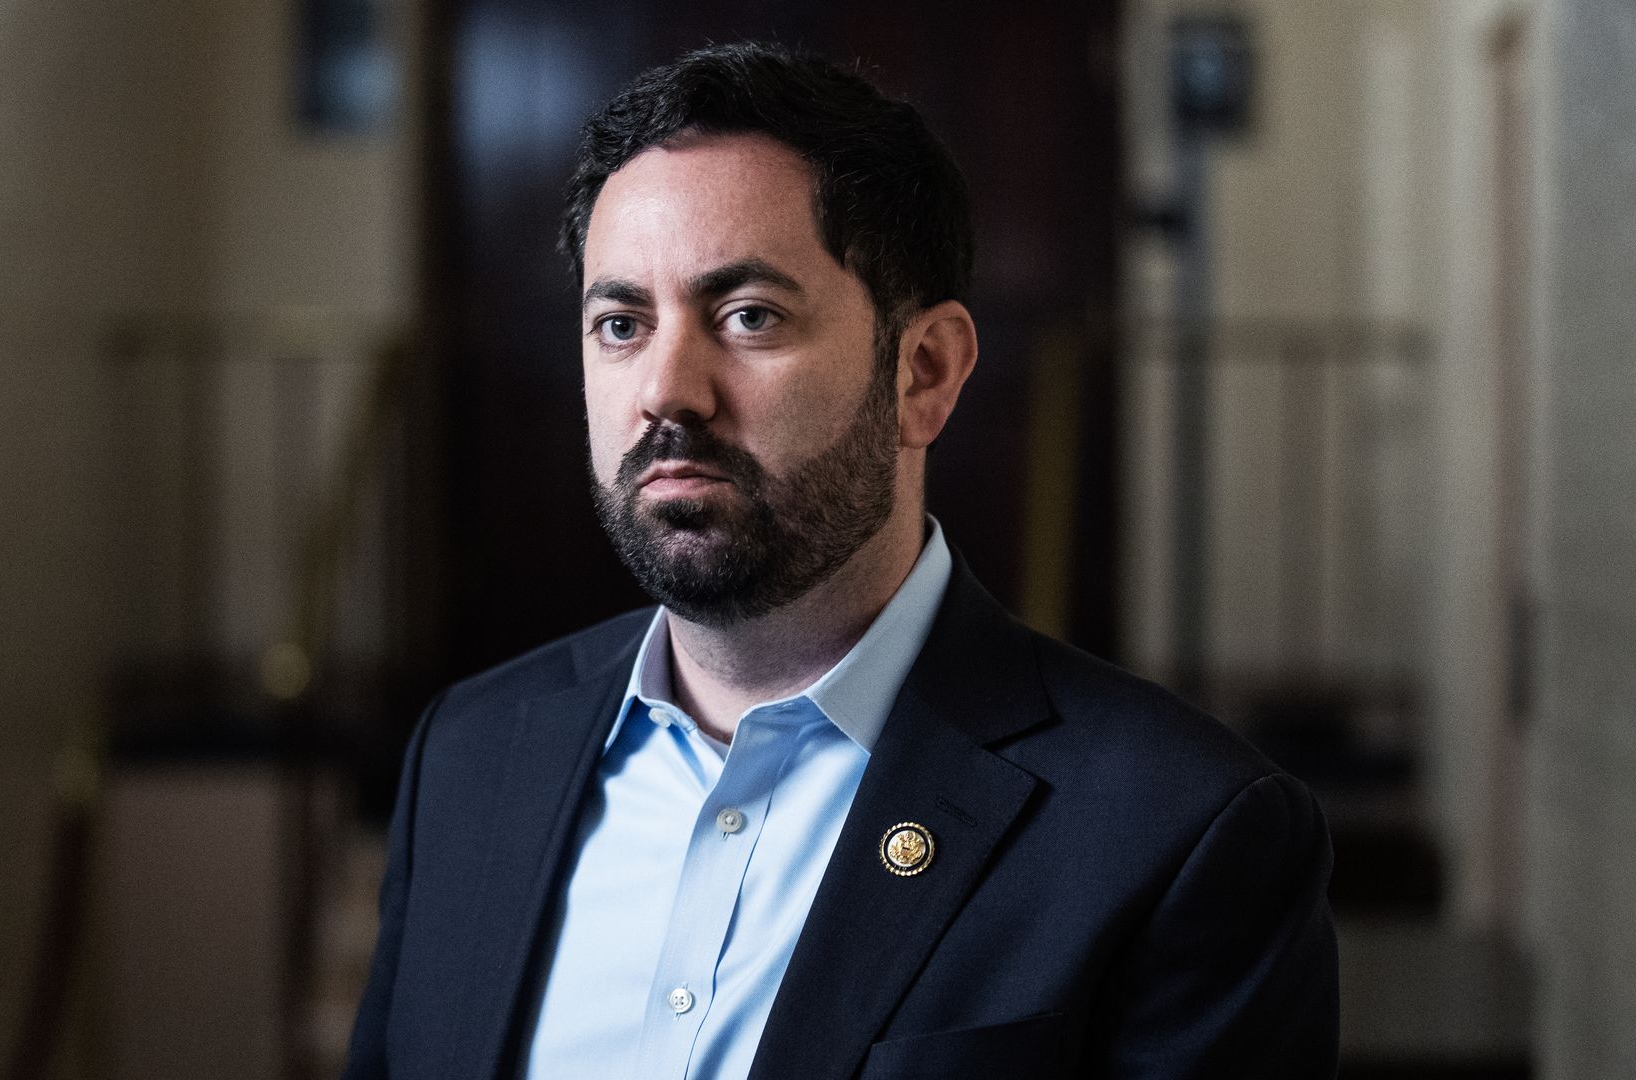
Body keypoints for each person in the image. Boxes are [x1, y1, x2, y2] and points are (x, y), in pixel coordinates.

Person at [343, 41, 1337, 1080]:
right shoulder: (469, 757)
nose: (668, 390)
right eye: (621, 323)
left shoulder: (1178, 833)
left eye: (749, 317)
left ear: (925, 372)